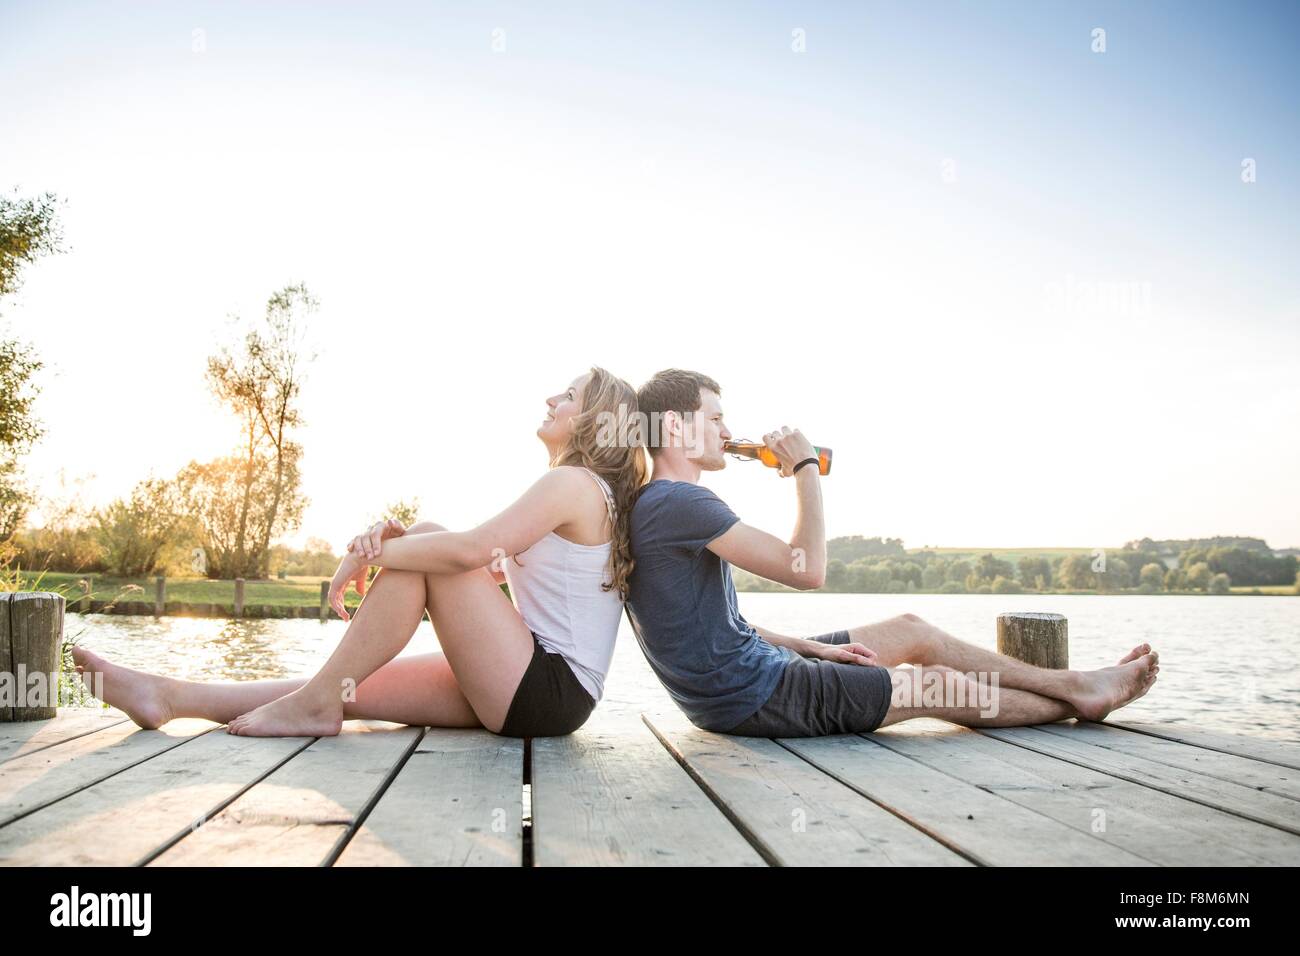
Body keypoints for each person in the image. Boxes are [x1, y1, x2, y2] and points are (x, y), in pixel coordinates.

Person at [72, 366, 648, 738]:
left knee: (424, 538)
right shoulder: (582, 493)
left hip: (545, 687)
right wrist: (392, 544)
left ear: (598, 421)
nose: (551, 397)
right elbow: (487, 561)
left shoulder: (572, 484)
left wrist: (373, 555)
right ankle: (167, 696)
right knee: (346, 686)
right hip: (536, 686)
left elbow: (467, 552)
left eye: (568, 395)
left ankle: (311, 707)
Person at [625, 368, 1160, 738]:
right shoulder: (679, 501)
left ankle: (1079, 687)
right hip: (751, 696)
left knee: (912, 629)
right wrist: (806, 467)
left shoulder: (669, 502)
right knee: (938, 686)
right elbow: (807, 569)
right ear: (675, 425)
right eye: (714, 418)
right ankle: (1080, 698)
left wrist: (812, 647)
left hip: (751, 673)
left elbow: (722, 622)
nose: (727, 431)